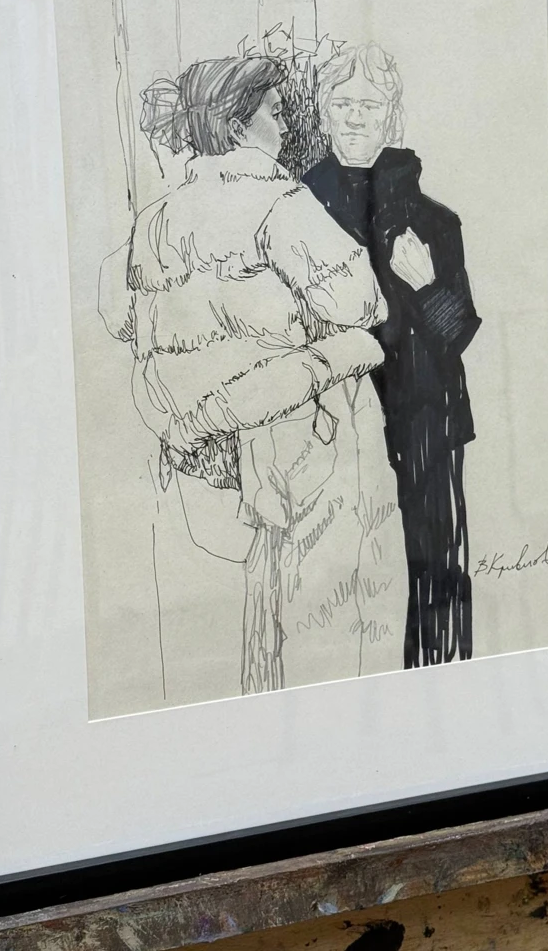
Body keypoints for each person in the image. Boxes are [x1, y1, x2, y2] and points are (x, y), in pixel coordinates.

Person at [99, 55, 406, 695]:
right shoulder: (280, 203)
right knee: (332, 622)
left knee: (255, 620)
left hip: (210, 456)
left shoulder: (155, 219)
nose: (286, 123)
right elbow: (362, 303)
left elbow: (127, 321)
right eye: (274, 111)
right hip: (302, 439)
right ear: (239, 124)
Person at [303, 44, 481, 669]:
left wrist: (426, 286)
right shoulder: (299, 212)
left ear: (391, 115)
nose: (355, 116)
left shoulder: (435, 221)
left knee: (436, 569)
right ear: (323, 112)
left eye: (370, 104)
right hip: (332, 423)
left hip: (426, 420)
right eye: (342, 103)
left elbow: (460, 332)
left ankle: (444, 680)